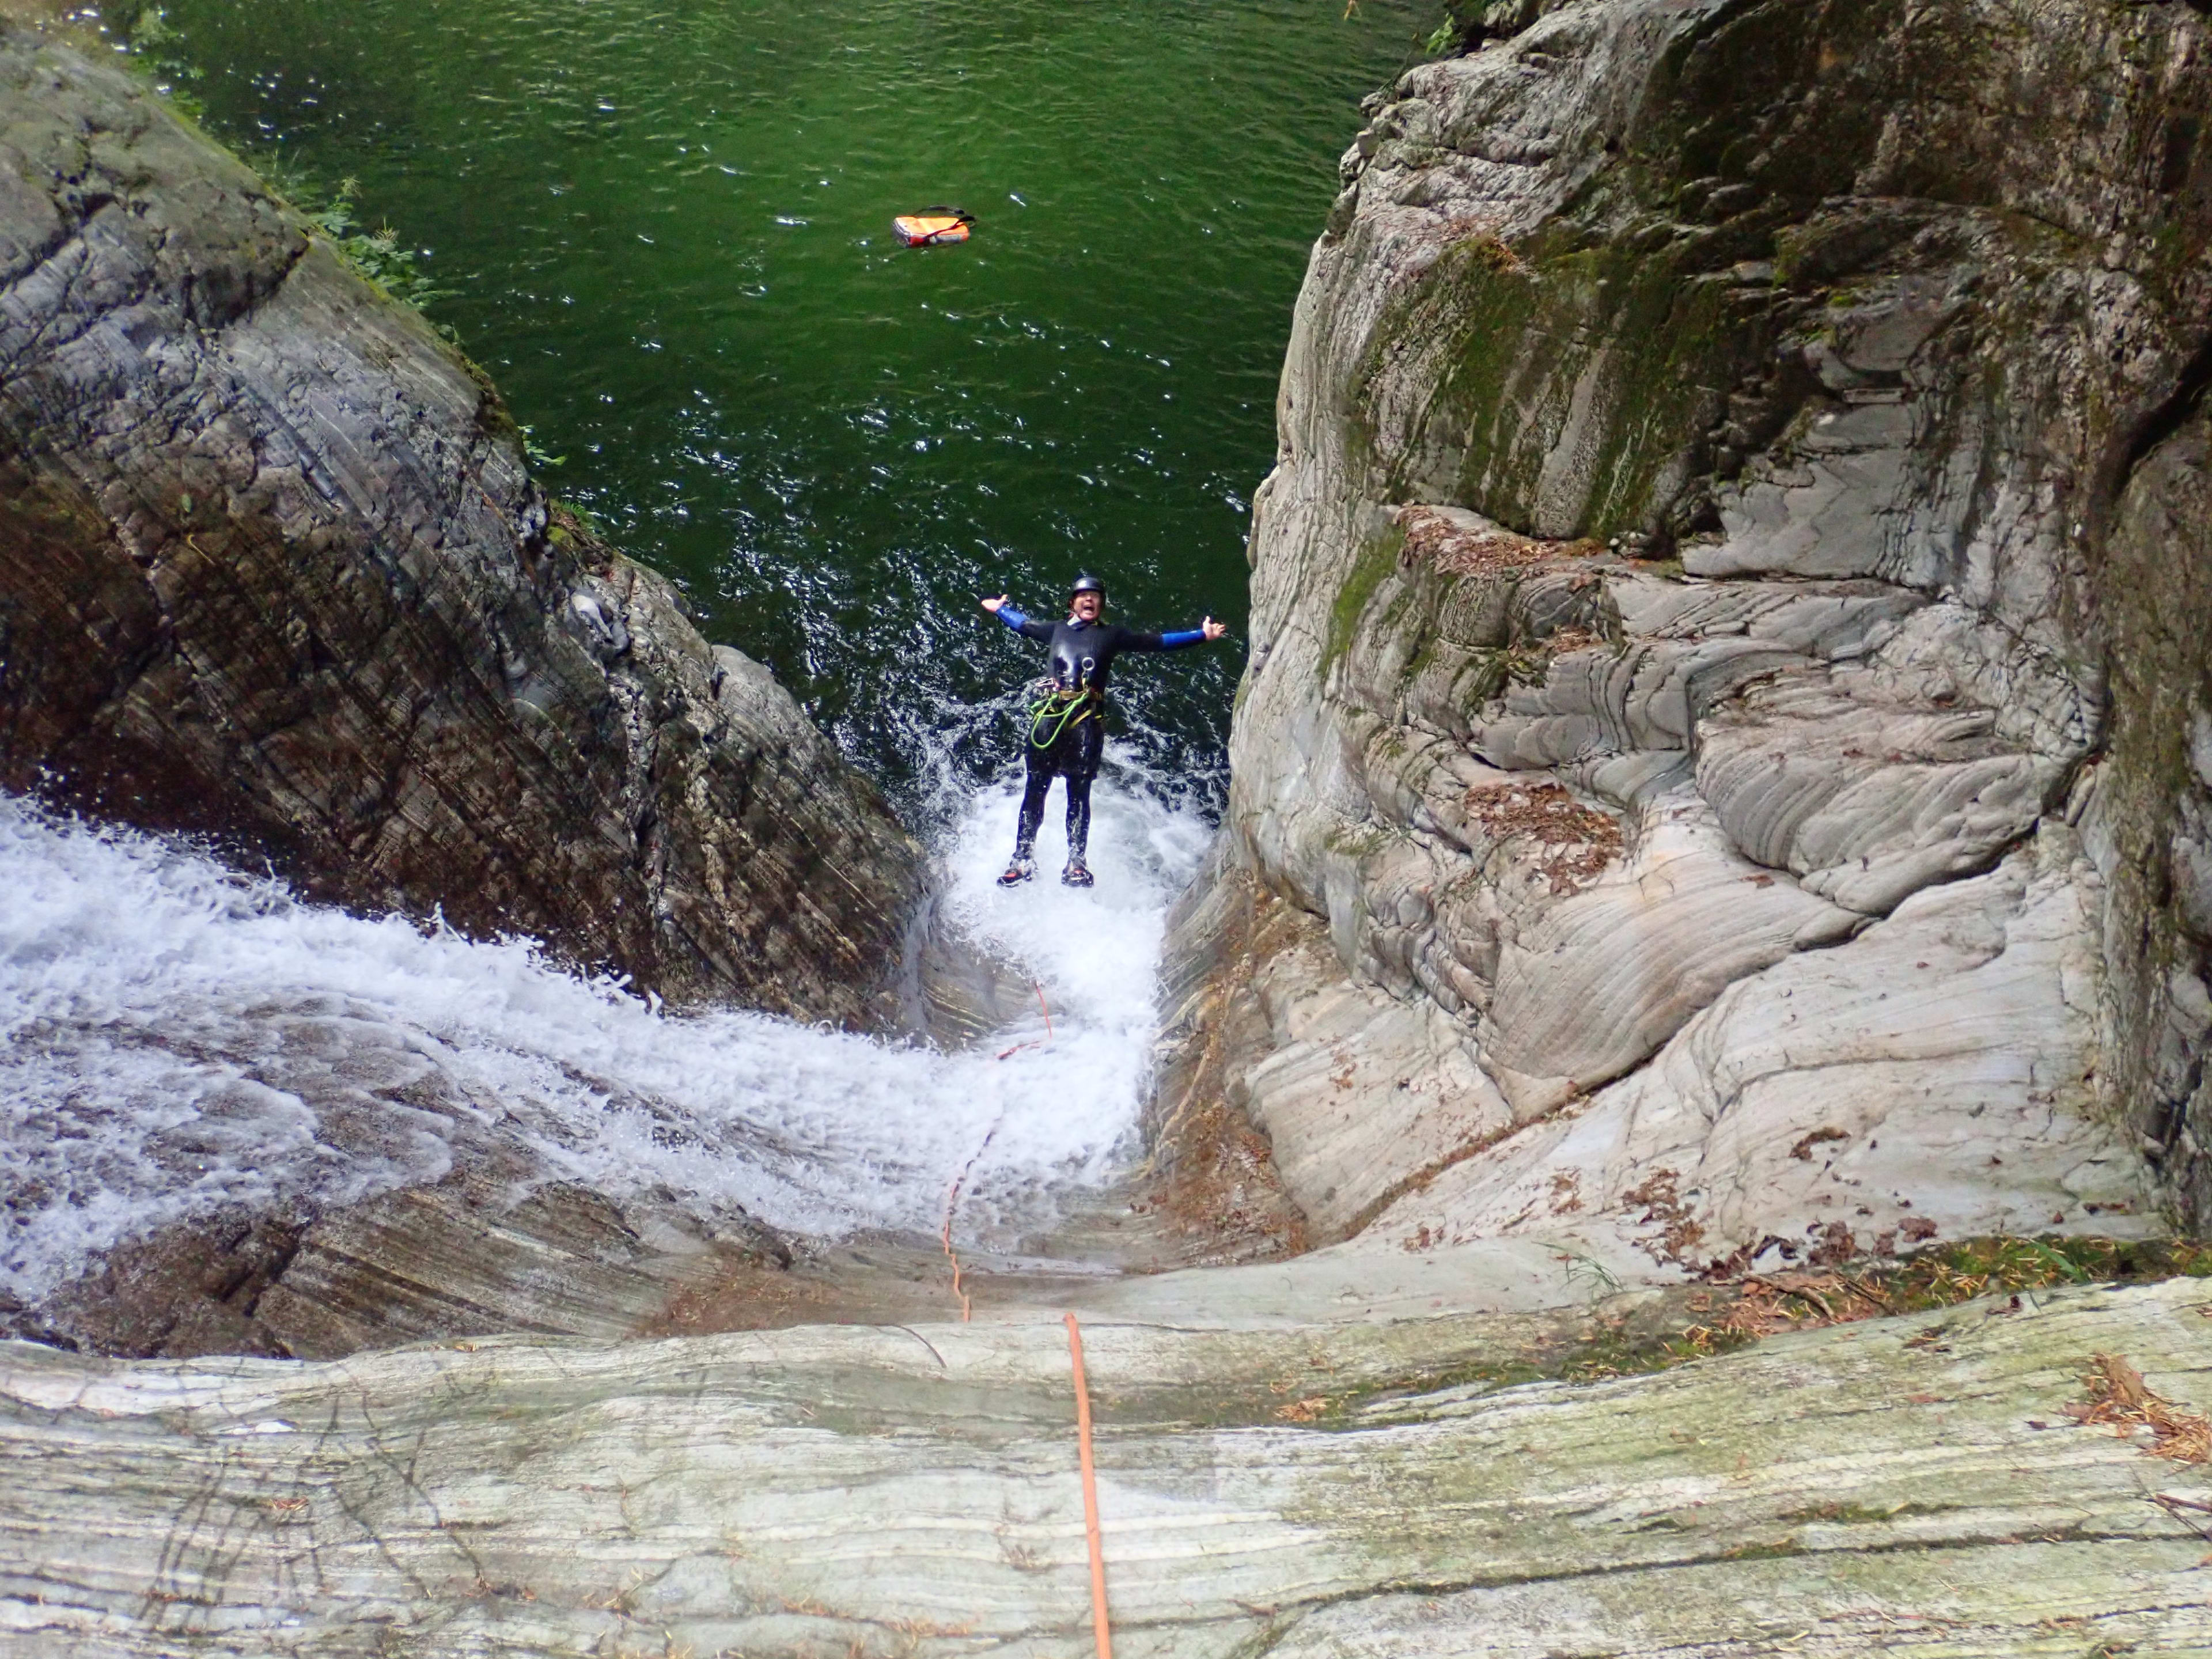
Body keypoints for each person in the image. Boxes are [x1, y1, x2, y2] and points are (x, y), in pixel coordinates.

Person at [981, 573, 1227, 887]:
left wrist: (1200, 635)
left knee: (1079, 792)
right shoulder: (1056, 630)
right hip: (1050, 715)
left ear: (1101, 604)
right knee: (1036, 787)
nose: (1090, 600)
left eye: (1095, 597)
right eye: (1084, 596)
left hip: (1085, 720)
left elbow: (1157, 642)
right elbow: (1023, 624)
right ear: (1072, 603)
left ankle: (1076, 863)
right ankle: (1021, 860)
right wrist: (1000, 610)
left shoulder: (1111, 635)